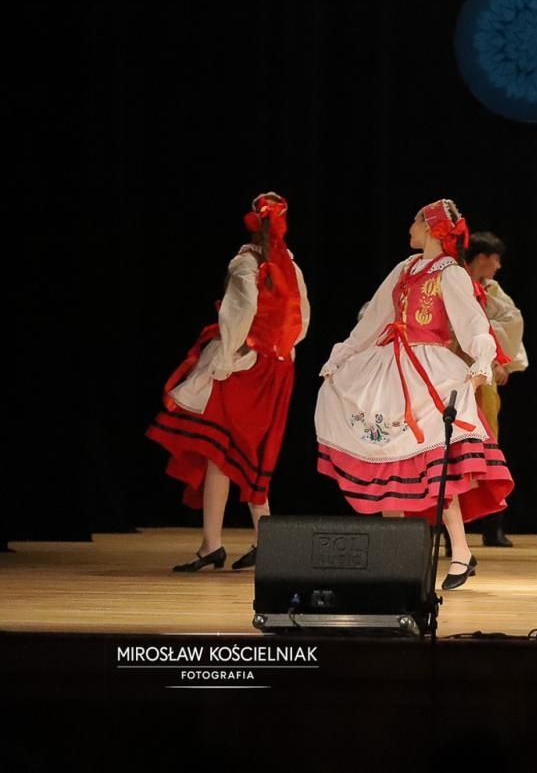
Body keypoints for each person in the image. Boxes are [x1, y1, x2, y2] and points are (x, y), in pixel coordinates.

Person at [313, 199, 514, 591]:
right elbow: (374, 320)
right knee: (390, 462)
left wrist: (481, 361)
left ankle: (460, 551)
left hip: (430, 371)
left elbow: (473, 323)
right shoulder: (404, 268)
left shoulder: (450, 273)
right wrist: (343, 356)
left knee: (437, 464)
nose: (410, 227)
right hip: (392, 366)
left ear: (432, 227)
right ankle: (397, 558)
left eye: (416, 221)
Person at [149, 192, 309, 572]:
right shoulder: (290, 265)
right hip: (277, 367)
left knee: (222, 448)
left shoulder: (246, 262)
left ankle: (223, 543)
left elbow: (240, 311)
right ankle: (228, 542)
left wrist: (225, 358)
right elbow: (302, 317)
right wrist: (282, 348)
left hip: (245, 365)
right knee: (240, 452)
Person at [462, 231, 527, 548]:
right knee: (450, 446)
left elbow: (510, 323)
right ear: (481, 258)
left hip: (482, 378)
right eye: (495, 259)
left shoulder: (492, 291)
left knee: (488, 444)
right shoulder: (455, 283)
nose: (498, 266)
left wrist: (501, 361)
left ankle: (492, 525)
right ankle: (445, 529)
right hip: (451, 374)